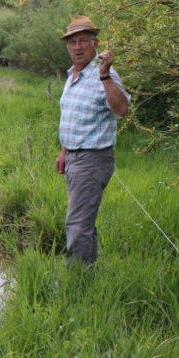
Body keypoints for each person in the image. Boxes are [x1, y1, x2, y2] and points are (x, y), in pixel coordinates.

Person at [55, 16, 131, 266]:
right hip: (75, 157)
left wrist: (106, 76)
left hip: (92, 159)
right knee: (82, 220)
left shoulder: (103, 75)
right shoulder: (72, 75)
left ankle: (77, 280)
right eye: (73, 42)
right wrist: (65, 150)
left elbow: (122, 109)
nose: (77, 47)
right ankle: (88, 271)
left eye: (83, 41)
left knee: (77, 223)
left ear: (95, 43)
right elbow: (74, 117)